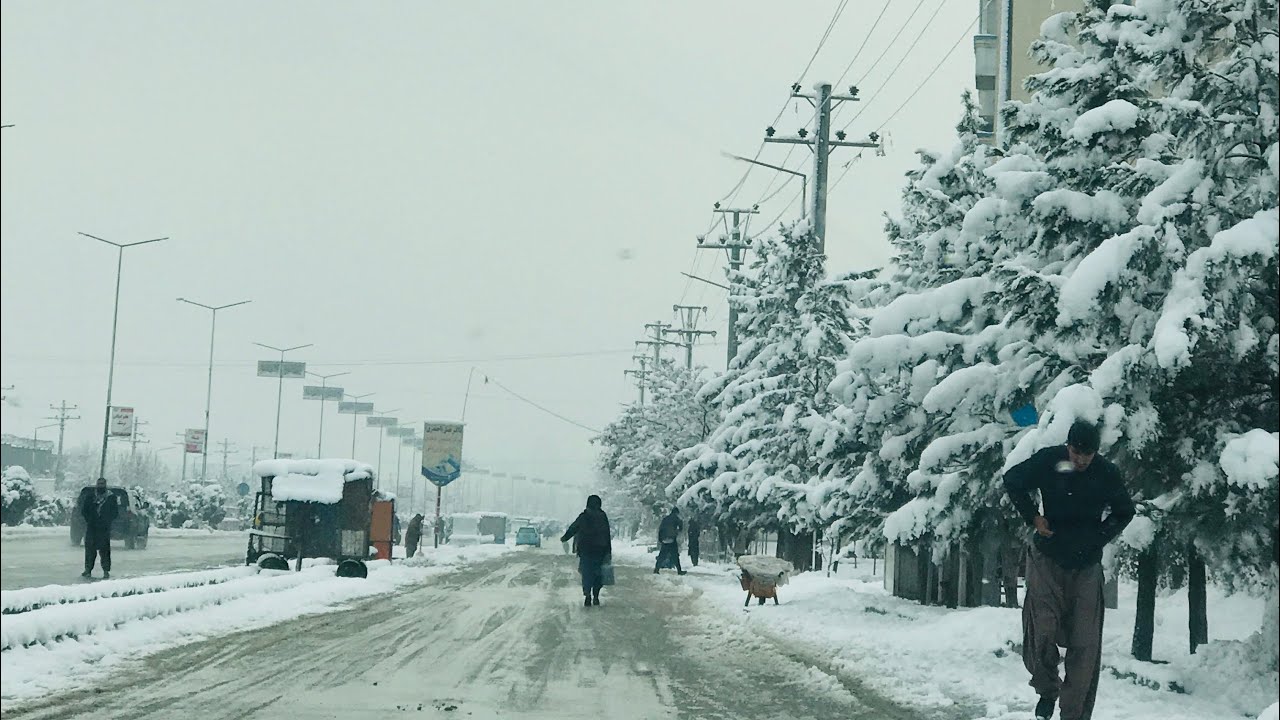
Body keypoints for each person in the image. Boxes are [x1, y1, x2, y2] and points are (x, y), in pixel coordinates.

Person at [1003, 421, 1134, 720]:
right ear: (1068, 446)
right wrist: (1033, 517)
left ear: (1096, 452)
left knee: (1084, 643)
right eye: (1076, 452)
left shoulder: (1106, 473)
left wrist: (1099, 537)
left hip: (1086, 565)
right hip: (1047, 557)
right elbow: (1013, 480)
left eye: (1087, 455)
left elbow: (1124, 511)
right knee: (1042, 628)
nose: (1080, 460)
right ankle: (1047, 689)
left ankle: (1074, 712)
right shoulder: (1050, 460)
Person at [561, 495, 612, 607]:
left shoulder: (584, 516)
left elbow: (574, 527)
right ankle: (596, 596)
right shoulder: (603, 516)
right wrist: (608, 551)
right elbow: (607, 534)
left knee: (587, 572)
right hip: (600, 550)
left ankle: (587, 594)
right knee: (598, 573)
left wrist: (565, 537)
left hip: (586, 550)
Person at [81, 477, 119, 579]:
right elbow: (84, 510)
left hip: (104, 529)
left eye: (102, 484)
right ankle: (88, 570)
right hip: (92, 527)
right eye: (99, 484)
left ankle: (106, 571)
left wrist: (107, 520)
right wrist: (90, 519)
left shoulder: (111, 497)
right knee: (90, 550)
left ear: (105, 485)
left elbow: (115, 512)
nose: (100, 486)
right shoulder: (90, 496)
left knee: (105, 551)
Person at [653, 507, 687, 575]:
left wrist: (660, 539)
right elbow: (681, 526)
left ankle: (656, 569)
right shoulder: (676, 519)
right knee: (675, 555)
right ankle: (679, 571)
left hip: (664, 539)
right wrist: (677, 531)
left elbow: (661, 528)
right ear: (677, 513)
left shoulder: (665, 519)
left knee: (662, 555)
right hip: (672, 539)